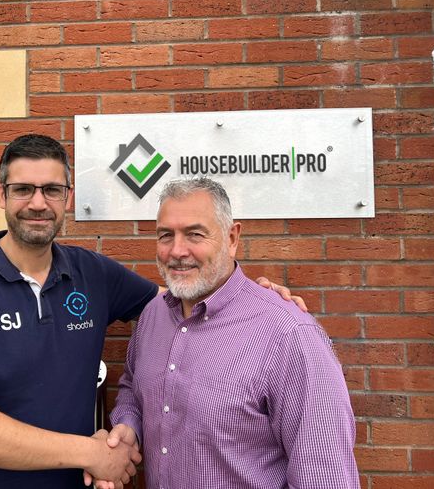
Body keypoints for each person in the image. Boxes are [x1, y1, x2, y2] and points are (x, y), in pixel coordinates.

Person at [0, 135, 304, 488]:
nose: (38, 203)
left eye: (52, 190)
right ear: (1, 194)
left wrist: (252, 297)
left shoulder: (93, 274)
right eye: (23, 189)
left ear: (68, 197)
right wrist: (91, 453)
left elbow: (184, 299)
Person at [103, 177, 359, 489]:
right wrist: (129, 426)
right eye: (166, 235)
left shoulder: (289, 334)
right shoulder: (153, 316)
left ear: (232, 237)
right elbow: (132, 386)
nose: (177, 251)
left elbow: (324, 477)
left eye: (195, 234)